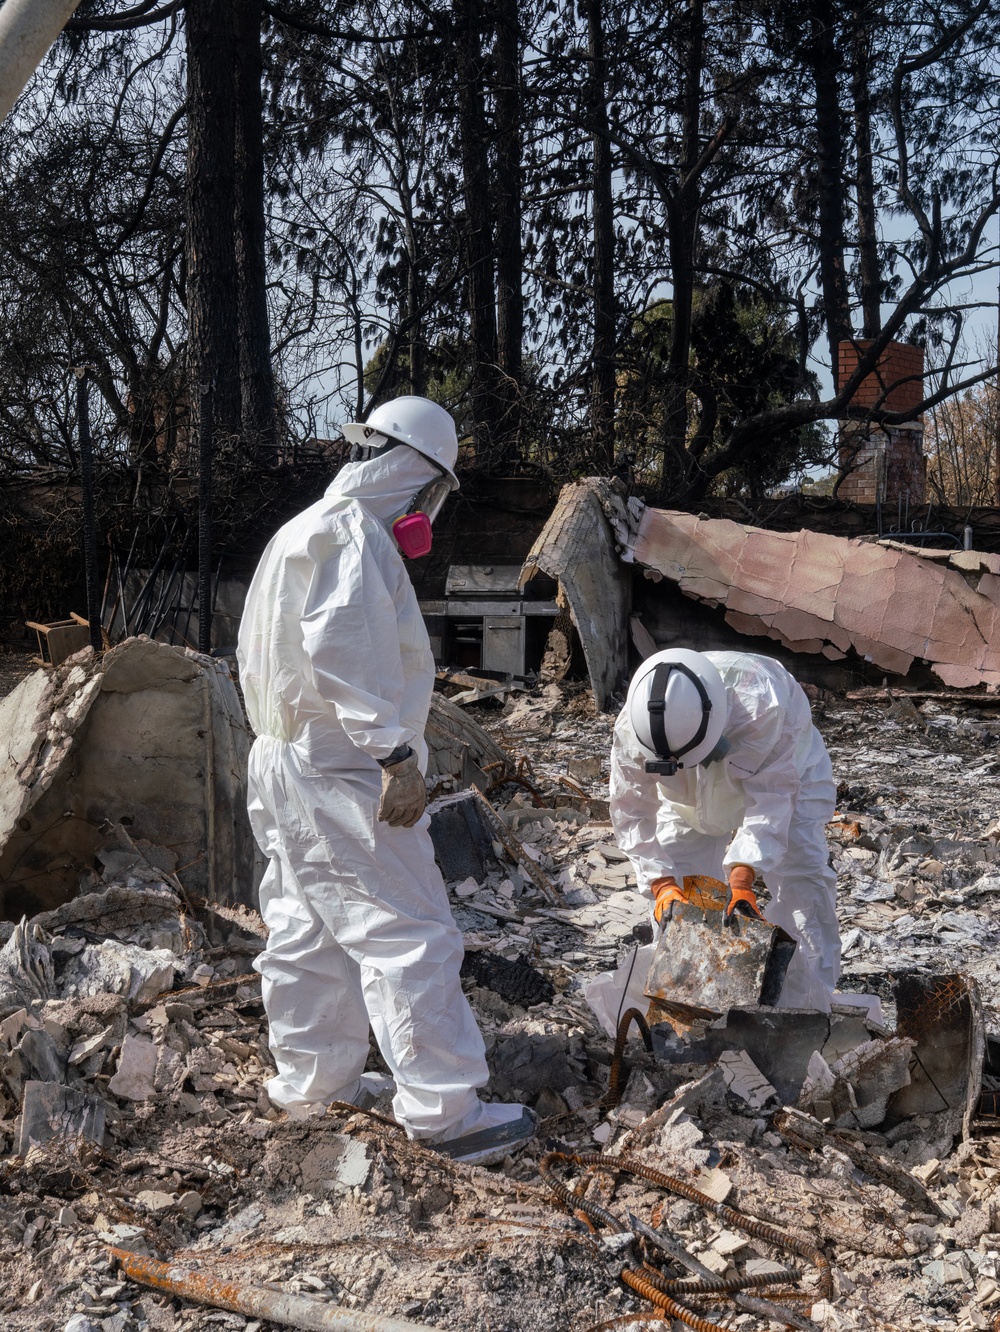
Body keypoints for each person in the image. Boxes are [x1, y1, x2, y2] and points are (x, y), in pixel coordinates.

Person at [236, 395, 535, 1164]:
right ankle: (445, 1114)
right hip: (343, 761)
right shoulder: (351, 536)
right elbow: (345, 650)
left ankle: (314, 1084)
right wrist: (394, 757)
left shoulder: (298, 530)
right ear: (416, 474)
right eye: (429, 490)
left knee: (309, 925)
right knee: (410, 930)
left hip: (281, 755)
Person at [609, 647, 840, 1010]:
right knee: (680, 896)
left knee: (802, 877)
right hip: (685, 801)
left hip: (791, 776)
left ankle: (807, 1005)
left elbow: (771, 801)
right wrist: (661, 883)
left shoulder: (765, 704)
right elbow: (630, 810)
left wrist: (743, 881)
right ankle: (687, 1006)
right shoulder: (634, 727)